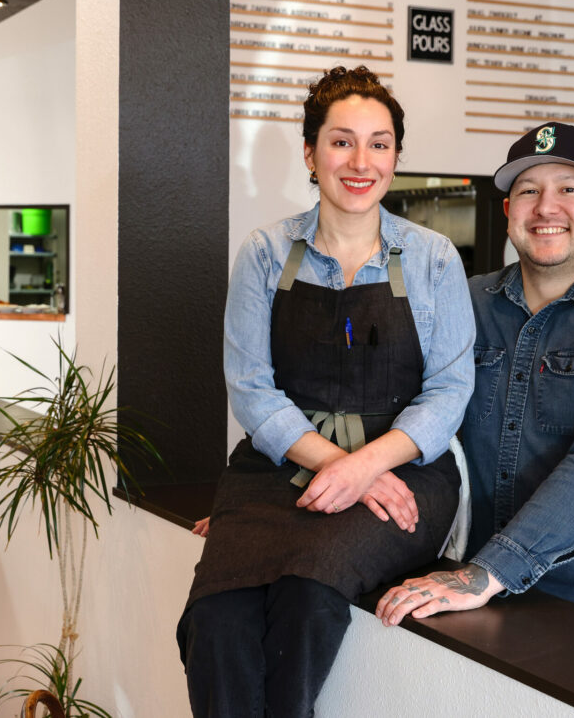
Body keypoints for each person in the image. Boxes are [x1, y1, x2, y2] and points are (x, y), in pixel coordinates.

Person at [176, 66, 475, 717]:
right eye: (342, 141)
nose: (361, 161)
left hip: (402, 474)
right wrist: (340, 467)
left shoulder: (431, 259)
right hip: (280, 467)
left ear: (396, 155)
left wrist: (366, 467)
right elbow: (253, 390)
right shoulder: (264, 252)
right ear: (310, 152)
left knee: (307, 602)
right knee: (216, 621)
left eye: (380, 142)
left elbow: (450, 390)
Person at [376, 122, 574, 639]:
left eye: (570, 189)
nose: (546, 208)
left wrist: (489, 572)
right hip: (478, 595)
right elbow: (389, 407)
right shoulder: (464, 302)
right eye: (528, 191)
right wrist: (278, 495)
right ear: (509, 212)